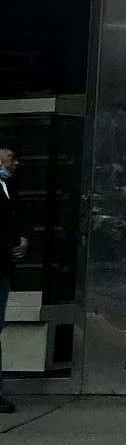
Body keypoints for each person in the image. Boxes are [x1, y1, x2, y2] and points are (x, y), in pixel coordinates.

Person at [0, 145, 28, 415]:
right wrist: (10, 243)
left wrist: (22, 240)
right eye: (11, 158)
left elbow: (15, 220)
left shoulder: (9, 187)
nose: (15, 163)